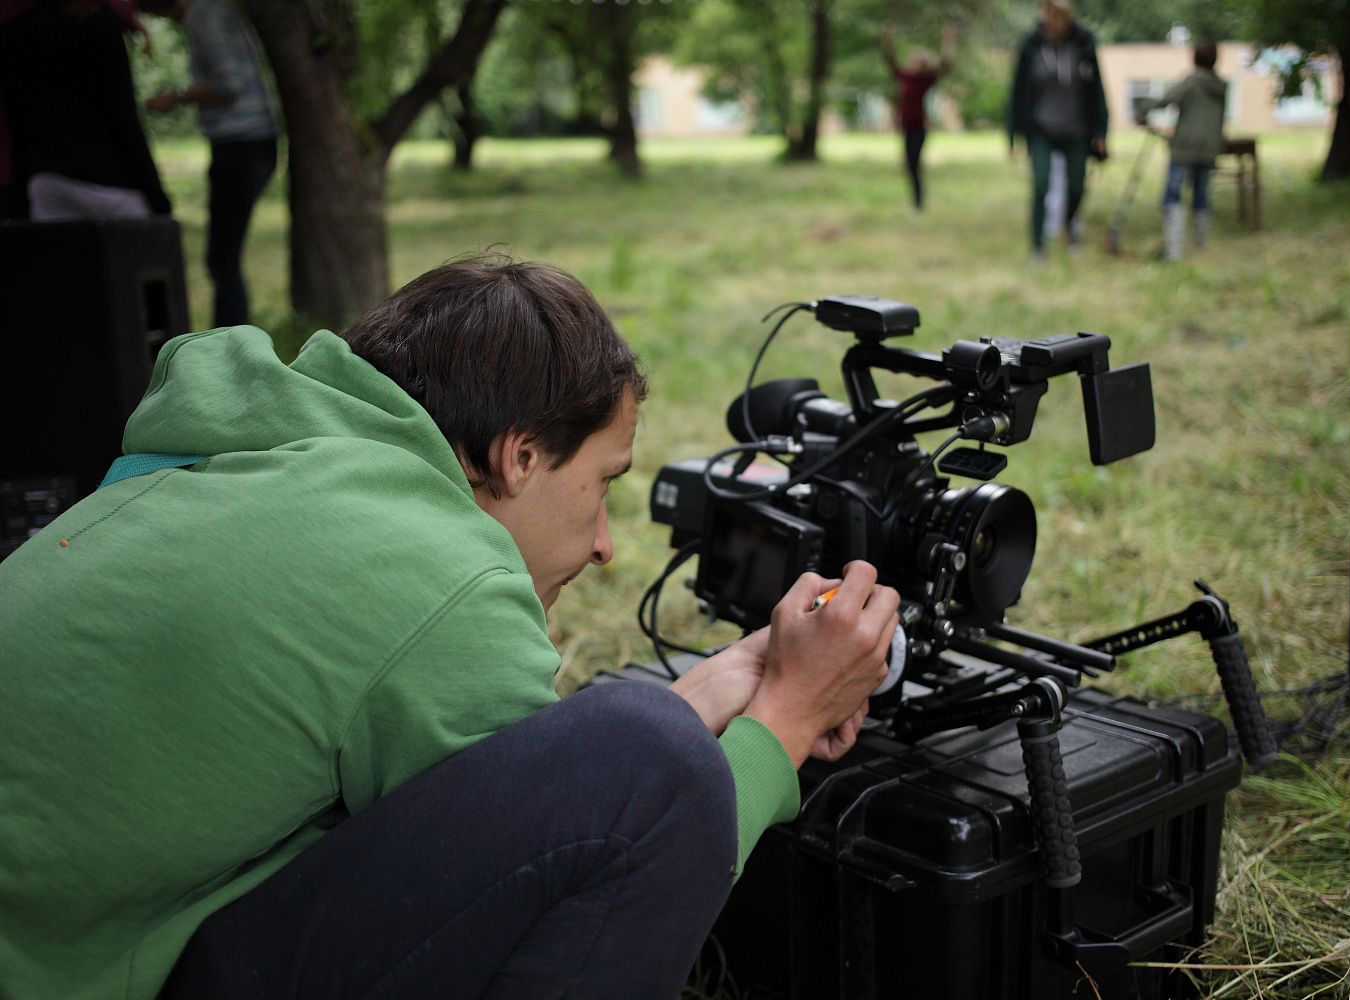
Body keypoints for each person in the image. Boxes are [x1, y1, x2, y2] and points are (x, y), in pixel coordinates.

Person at [0, 257, 899, 1000]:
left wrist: (707, 691)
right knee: (652, 762)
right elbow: (610, 839)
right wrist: (785, 719)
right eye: (604, 485)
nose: (604, 547)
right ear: (521, 455)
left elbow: (504, 802)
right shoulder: (437, 568)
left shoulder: (243, 457)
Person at [143, 0, 277, 327]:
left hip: (241, 142)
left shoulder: (203, 16)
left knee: (222, 259)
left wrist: (176, 97)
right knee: (223, 256)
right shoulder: (213, 10)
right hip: (251, 140)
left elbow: (229, 84)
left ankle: (230, 348)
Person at [0, 0, 171, 221]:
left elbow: (16, 125)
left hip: (45, 180)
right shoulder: (99, 25)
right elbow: (123, 118)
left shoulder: (14, 33)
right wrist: (157, 198)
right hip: (108, 181)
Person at [1008, 0, 1108, 263]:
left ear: (1067, 16)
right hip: (1040, 128)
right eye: (1047, 13)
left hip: (1076, 129)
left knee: (1077, 186)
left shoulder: (1084, 45)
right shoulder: (1031, 46)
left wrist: (1101, 131)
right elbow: (1017, 93)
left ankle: (1069, 228)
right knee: (1041, 185)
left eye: (1057, 15)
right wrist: (1012, 133)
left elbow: (1097, 92)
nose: (1051, 19)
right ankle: (1037, 247)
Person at [1138, 39, 1227, 261]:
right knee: (1201, 195)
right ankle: (1200, 246)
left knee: (1172, 195)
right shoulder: (1221, 87)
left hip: (1184, 148)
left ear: (1194, 57)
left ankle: (1173, 251)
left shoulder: (1192, 82)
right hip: (1208, 149)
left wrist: (1143, 109)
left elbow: (1168, 98)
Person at [881, 21, 957, 213]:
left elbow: (946, 64)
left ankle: (918, 204)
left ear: (923, 65)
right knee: (908, 165)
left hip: (919, 128)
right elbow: (888, 58)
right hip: (905, 127)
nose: (915, 63)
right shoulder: (905, 77)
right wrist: (888, 36)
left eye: (919, 62)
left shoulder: (925, 80)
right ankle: (915, 202)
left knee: (914, 165)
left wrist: (949, 40)